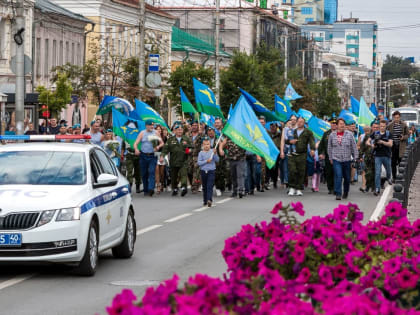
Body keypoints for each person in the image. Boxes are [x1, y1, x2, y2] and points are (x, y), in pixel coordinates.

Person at [327, 118, 358, 200]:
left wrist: (355, 158)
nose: (342, 125)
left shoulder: (349, 134)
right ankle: (338, 193)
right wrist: (330, 158)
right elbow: (329, 148)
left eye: (343, 124)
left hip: (347, 159)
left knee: (347, 178)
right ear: (337, 125)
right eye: (340, 124)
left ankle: (346, 191)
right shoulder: (332, 135)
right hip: (336, 159)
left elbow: (354, 147)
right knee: (338, 175)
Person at [161, 123, 193, 196]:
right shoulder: (170, 140)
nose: (180, 131)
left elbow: (191, 147)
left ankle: (184, 187)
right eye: (178, 130)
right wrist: (162, 156)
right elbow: (165, 149)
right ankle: (175, 188)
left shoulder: (186, 138)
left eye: (181, 130)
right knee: (174, 176)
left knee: (183, 174)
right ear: (175, 131)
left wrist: (189, 150)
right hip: (174, 161)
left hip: (183, 160)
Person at [286, 116, 315, 196]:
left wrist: (312, 149)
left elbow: (312, 141)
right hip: (292, 154)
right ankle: (292, 187)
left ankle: (298, 188)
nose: (299, 123)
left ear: (304, 123)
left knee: (301, 171)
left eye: (301, 121)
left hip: (302, 154)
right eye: (298, 121)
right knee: (292, 170)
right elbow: (286, 141)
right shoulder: (292, 131)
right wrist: (290, 141)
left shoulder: (308, 132)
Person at [134, 120, 163, 197]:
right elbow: (136, 143)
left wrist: (158, 146)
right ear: (146, 125)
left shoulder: (156, 133)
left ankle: (151, 189)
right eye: (150, 125)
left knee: (151, 171)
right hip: (143, 155)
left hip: (152, 156)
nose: (152, 127)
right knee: (144, 173)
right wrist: (136, 149)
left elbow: (162, 143)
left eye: (152, 125)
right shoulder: (142, 133)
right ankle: (146, 189)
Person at [368, 120, 393, 196]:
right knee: (377, 173)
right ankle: (377, 189)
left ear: (386, 126)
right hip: (378, 155)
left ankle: (389, 178)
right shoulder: (375, 133)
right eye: (381, 126)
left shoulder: (388, 134)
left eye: (383, 126)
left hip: (386, 155)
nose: (382, 127)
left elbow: (390, 144)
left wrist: (382, 142)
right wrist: (371, 145)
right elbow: (368, 141)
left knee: (388, 170)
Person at [387, 111, 409, 182]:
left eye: (398, 117)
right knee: (393, 162)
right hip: (393, 146)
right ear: (393, 117)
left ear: (400, 117)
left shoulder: (404, 125)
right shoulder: (390, 125)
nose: (397, 119)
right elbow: (387, 134)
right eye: (395, 117)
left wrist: (403, 137)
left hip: (401, 146)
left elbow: (408, 135)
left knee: (401, 162)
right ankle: (394, 177)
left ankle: (400, 176)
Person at [197, 137, 219, 207]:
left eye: (208, 144)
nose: (207, 146)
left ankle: (209, 199)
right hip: (203, 171)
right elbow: (199, 163)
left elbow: (217, 160)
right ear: (203, 145)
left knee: (210, 185)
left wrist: (215, 154)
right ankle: (205, 200)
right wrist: (206, 161)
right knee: (205, 186)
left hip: (211, 171)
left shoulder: (212, 151)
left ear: (210, 145)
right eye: (205, 144)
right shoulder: (201, 153)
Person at [318, 117, 337, 194]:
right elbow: (322, 144)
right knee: (329, 172)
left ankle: (336, 188)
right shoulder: (326, 133)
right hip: (328, 156)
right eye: (332, 123)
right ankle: (330, 188)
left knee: (337, 172)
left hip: (338, 156)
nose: (334, 125)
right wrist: (321, 153)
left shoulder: (340, 133)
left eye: (335, 124)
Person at [280, 115, 297, 190]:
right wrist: (282, 152)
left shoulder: (298, 129)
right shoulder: (285, 129)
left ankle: (295, 182)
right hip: (287, 150)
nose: (293, 121)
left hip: (296, 150)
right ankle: (287, 181)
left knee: (295, 167)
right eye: (291, 119)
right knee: (286, 166)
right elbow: (282, 141)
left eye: (294, 119)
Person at [188, 121, 203, 194]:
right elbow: (185, 145)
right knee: (189, 171)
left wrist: (201, 135)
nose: (194, 127)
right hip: (189, 156)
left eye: (196, 125)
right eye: (193, 125)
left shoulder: (201, 135)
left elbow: (204, 143)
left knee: (196, 171)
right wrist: (187, 150)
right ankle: (192, 184)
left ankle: (195, 187)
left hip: (197, 156)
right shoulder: (188, 135)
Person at [268, 123, 282, 189]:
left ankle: (275, 182)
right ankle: (270, 179)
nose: (272, 128)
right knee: (270, 167)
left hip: (276, 152)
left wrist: (281, 126)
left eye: (274, 127)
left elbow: (283, 133)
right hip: (269, 152)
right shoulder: (268, 134)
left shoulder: (279, 134)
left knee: (276, 167)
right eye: (271, 127)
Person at [154, 125, 167, 194]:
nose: (159, 130)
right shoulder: (153, 137)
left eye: (160, 129)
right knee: (157, 171)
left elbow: (165, 148)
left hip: (162, 155)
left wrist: (163, 155)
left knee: (161, 172)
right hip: (155, 155)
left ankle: (162, 183)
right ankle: (158, 185)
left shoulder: (164, 138)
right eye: (157, 129)